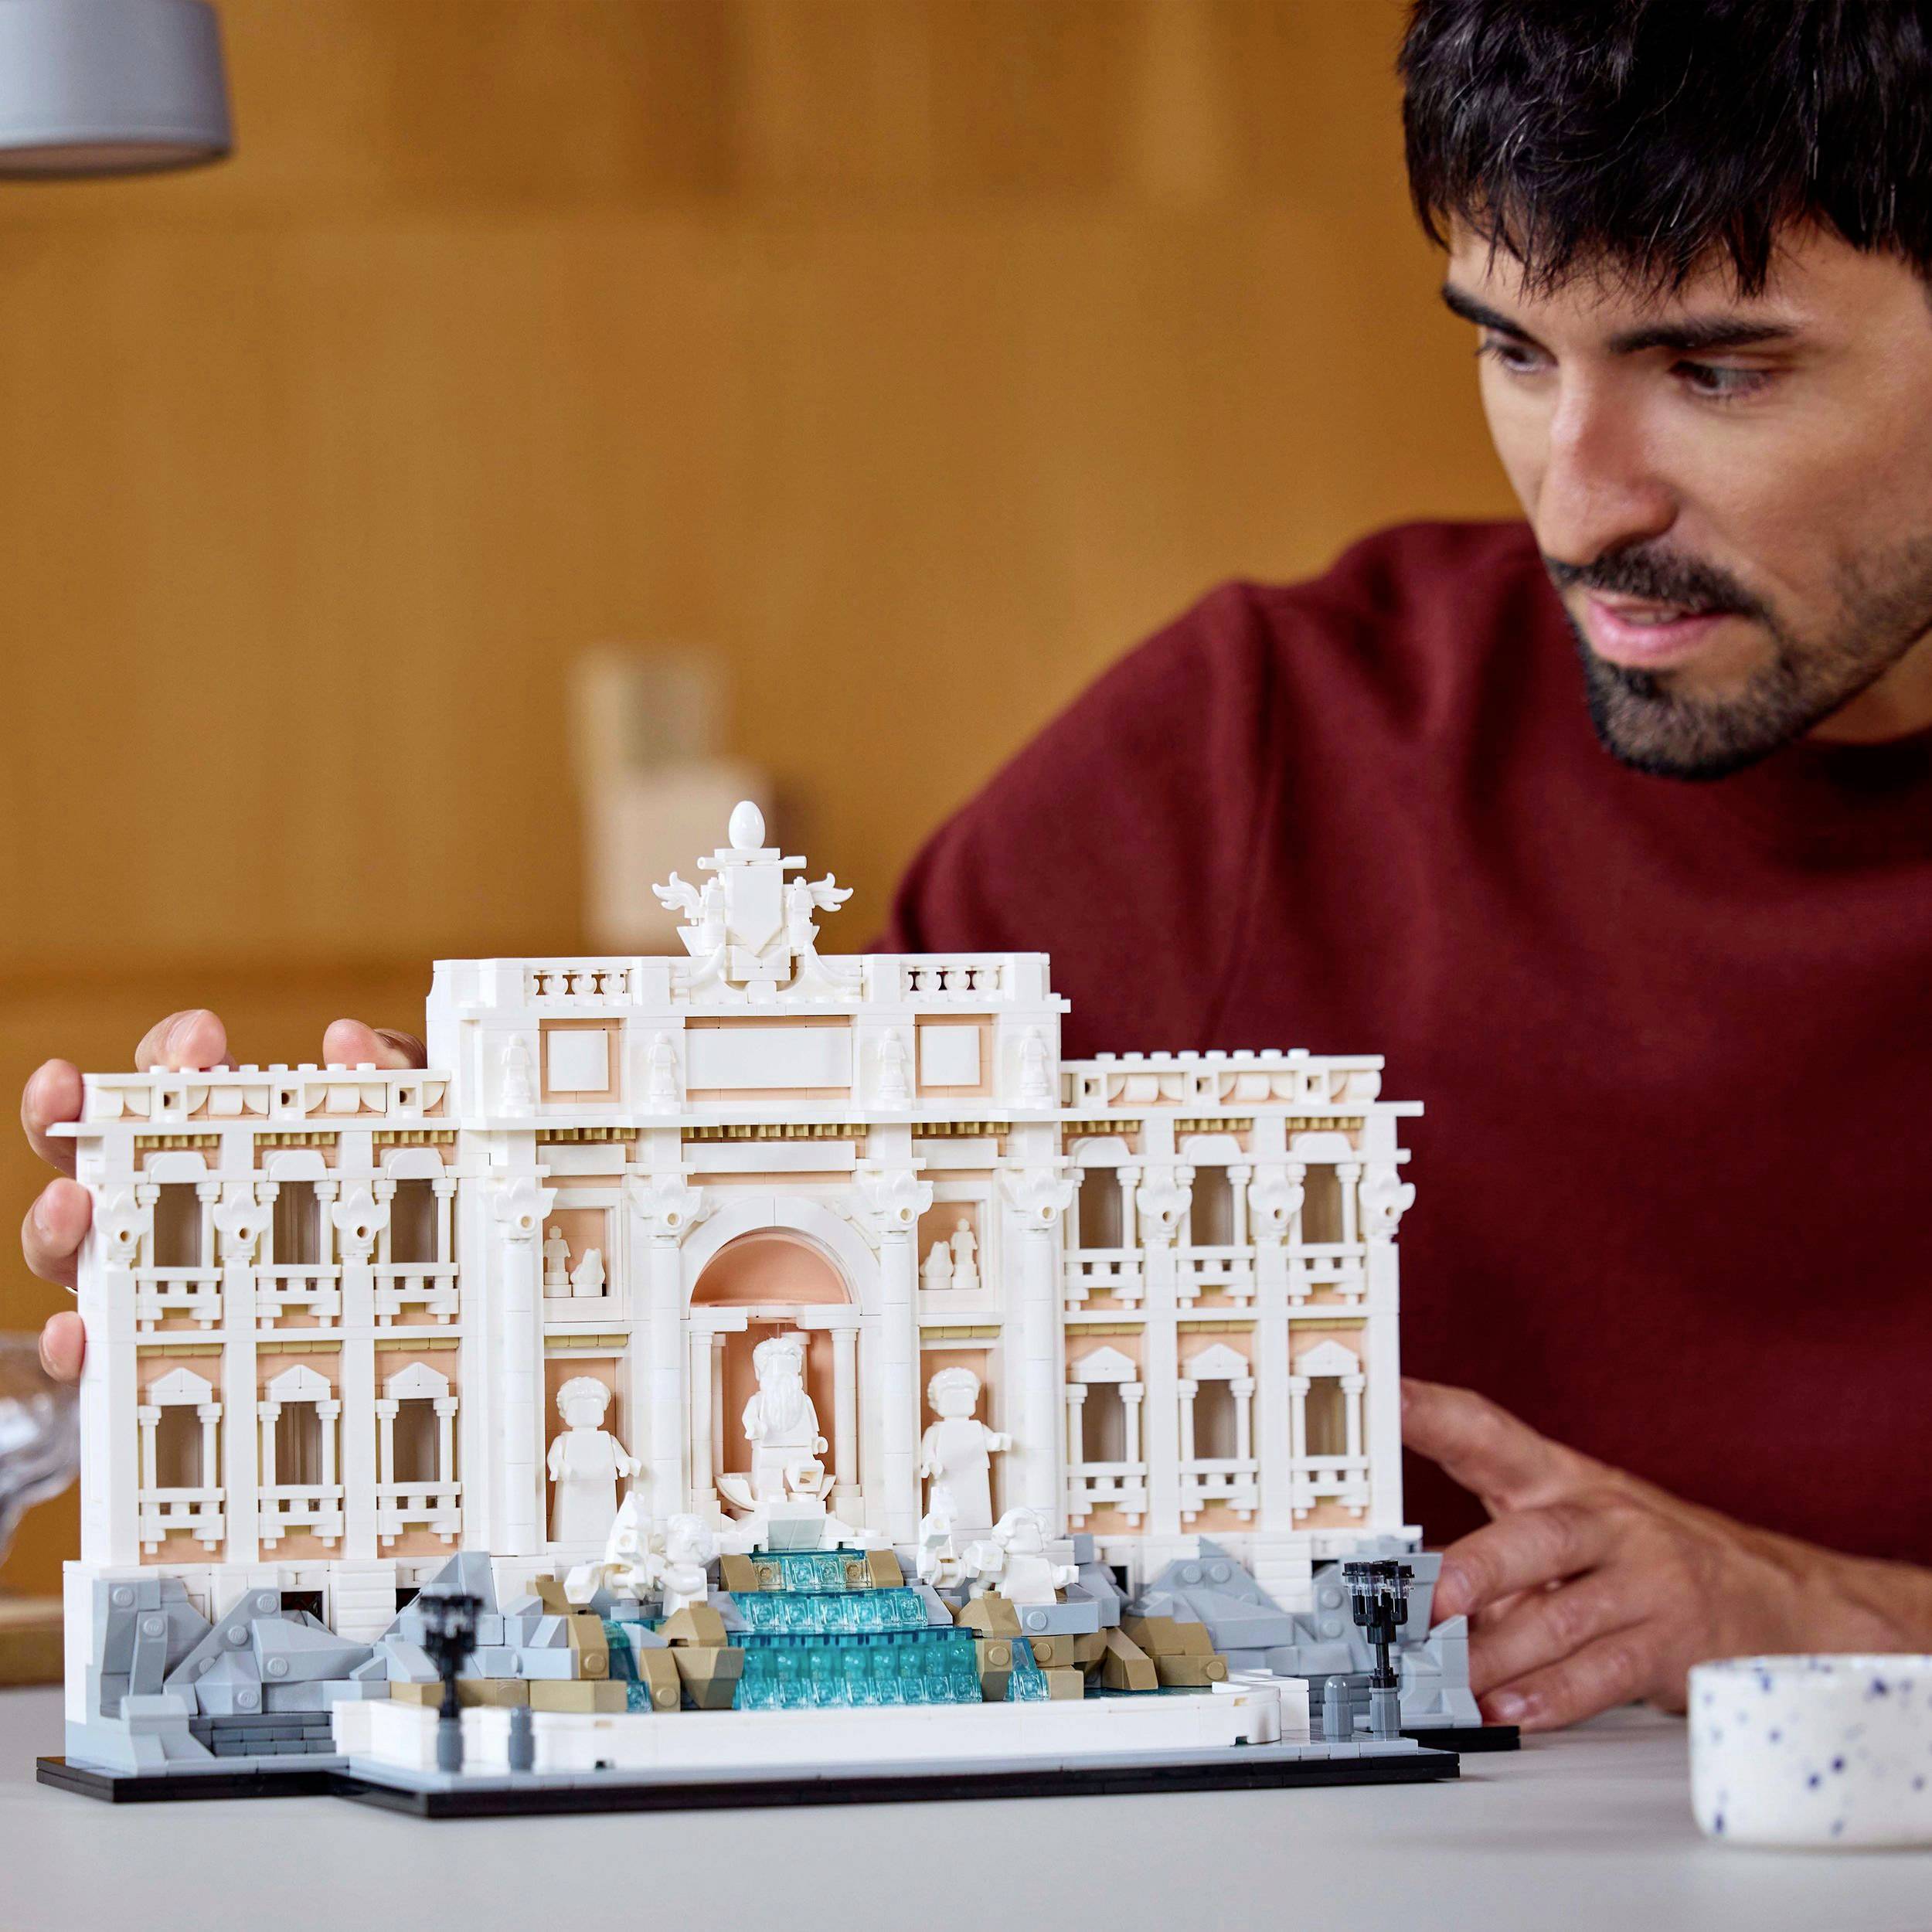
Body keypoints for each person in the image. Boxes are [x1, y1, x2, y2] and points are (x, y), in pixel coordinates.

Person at [21, 0, 1932, 1730]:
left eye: (1712, 370)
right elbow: (769, 1213)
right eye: (1512, 348)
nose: (1578, 497)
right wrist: (348, 1257)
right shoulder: (1257, 752)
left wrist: (1819, 1607)